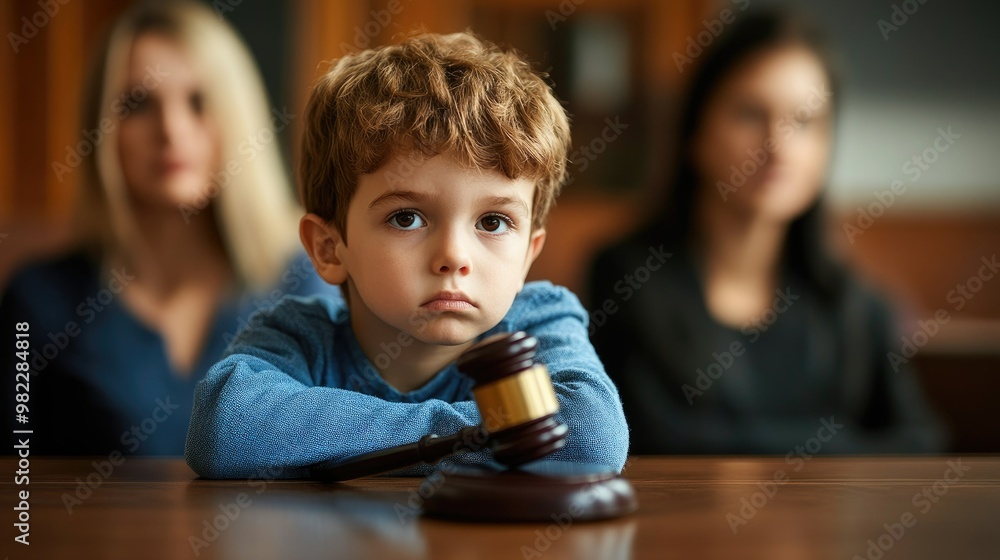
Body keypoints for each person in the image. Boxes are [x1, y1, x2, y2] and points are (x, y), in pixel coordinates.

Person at [184, 32, 629, 479]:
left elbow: (590, 436)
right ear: (328, 248)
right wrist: (495, 431)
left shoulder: (538, 322)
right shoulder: (300, 336)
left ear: (528, 257)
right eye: (407, 218)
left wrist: (350, 447)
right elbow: (225, 430)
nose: (454, 257)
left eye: (492, 222)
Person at [587, 10, 946, 455]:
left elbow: (918, 441)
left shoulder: (855, 306)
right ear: (695, 133)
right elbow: (642, 436)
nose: (779, 146)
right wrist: (832, 438)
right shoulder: (627, 279)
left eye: (805, 122)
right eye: (750, 114)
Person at [0, 1, 338, 455]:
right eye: (138, 104)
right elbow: (11, 485)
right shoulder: (38, 299)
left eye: (199, 102)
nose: (171, 130)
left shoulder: (309, 284)